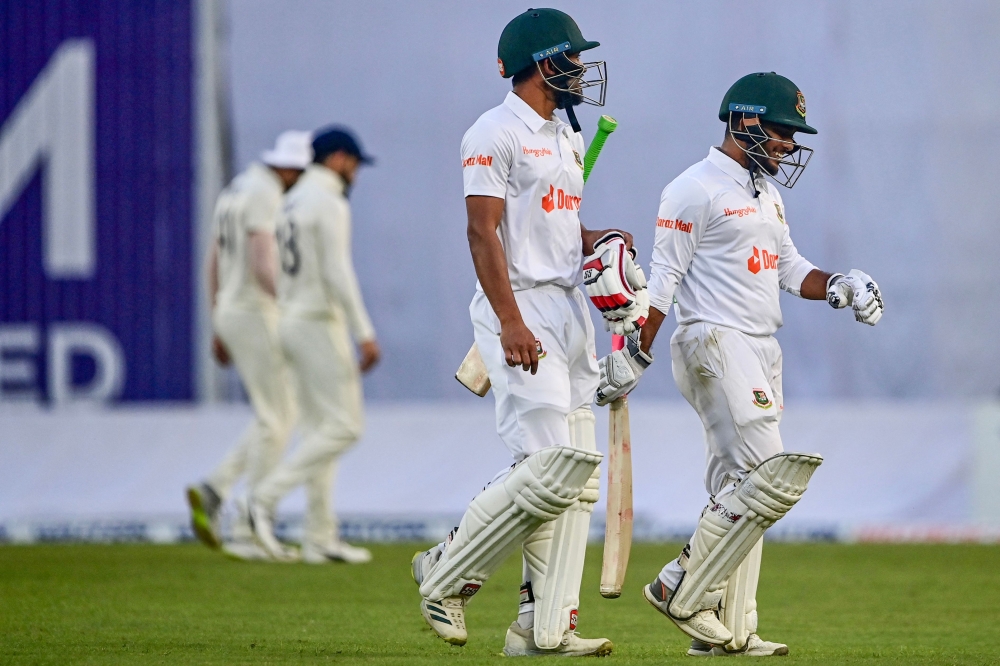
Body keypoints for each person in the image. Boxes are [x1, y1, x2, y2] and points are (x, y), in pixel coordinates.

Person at [595, 72, 884, 657]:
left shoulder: (765, 192)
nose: (789, 145)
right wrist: (634, 355)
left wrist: (839, 284)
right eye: (781, 131)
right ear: (744, 121)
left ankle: (732, 630)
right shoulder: (692, 188)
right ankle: (680, 584)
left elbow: (788, 267)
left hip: (760, 346)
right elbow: (664, 280)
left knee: (739, 489)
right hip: (713, 341)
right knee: (768, 475)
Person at [410, 8, 647, 657]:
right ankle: (445, 574)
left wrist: (598, 241)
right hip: (519, 308)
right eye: (573, 58)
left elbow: (555, 226)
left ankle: (542, 628)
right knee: (547, 469)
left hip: (568, 309)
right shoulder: (493, 132)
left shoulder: (565, 134)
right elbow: (481, 231)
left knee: (574, 478)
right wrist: (510, 320)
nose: (582, 69)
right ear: (543, 63)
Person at [248, 126, 381, 565]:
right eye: (354, 163)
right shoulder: (328, 200)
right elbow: (337, 271)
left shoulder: (292, 198)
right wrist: (364, 332)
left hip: (289, 318)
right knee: (345, 427)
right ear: (339, 158)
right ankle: (263, 498)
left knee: (319, 429)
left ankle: (319, 536)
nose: (355, 173)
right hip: (317, 321)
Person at [186, 130, 311, 560]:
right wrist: (293, 306)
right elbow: (262, 263)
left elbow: (213, 261)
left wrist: (217, 318)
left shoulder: (236, 189)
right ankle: (247, 528)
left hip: (233, 309)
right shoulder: (264, 193)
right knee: (279, 418)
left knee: (273, 414)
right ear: (291, 170)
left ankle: (216, 488)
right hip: (256, 312)